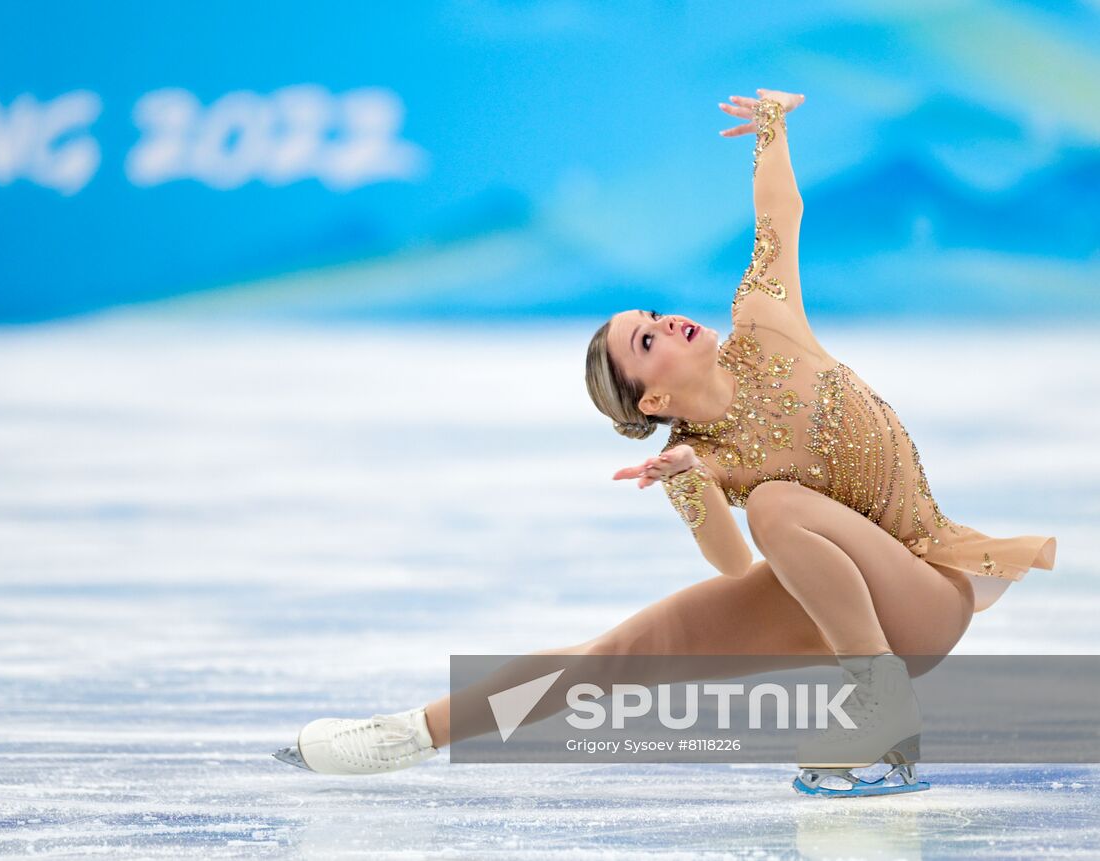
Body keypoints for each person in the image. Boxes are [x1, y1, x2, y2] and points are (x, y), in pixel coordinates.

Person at [272, 88, 1058, 797]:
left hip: (927, 592)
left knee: (779, 503)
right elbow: (736, 564)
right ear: (653, 399)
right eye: (646, 341)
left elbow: (778, 215)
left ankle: (879, 698)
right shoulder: (698, 454)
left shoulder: (766, 320)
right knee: (621, 653)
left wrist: (772, 129)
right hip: (859, 608)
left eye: (651, 317)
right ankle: (410, 733)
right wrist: (691, 482)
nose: (667, 322)